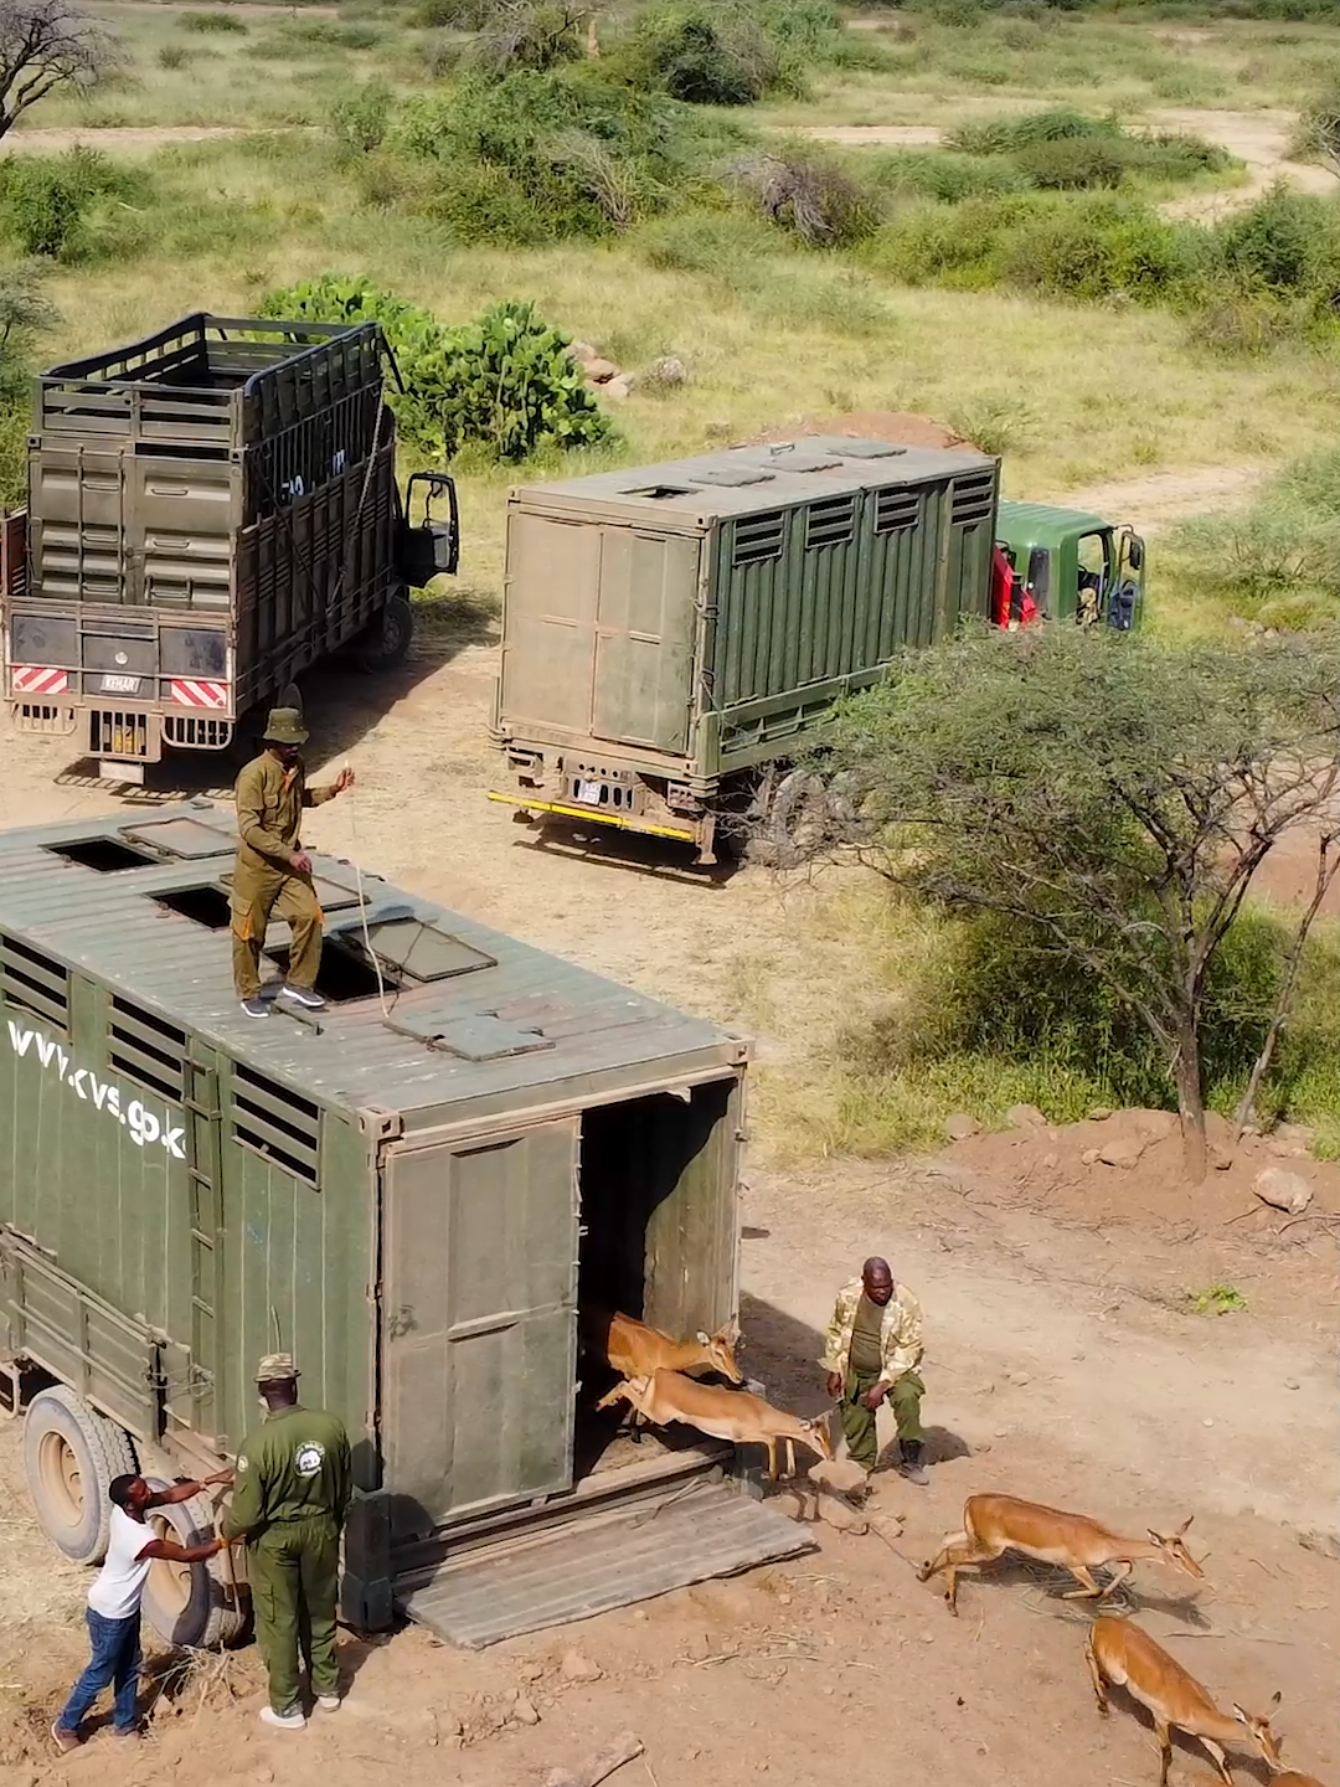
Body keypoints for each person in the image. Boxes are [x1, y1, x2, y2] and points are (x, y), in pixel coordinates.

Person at [52, 1469, 233, 1752]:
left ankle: (125, 1726)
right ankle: (65, 1726)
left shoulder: (126, 1510)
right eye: (143, 1493)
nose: (150, 1493)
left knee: (131, 1665)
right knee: (101, 1672)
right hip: (109, 1612)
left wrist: (206, 1481)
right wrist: (225, 1541)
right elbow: (187, 1555)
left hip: (125, 1609)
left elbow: (171, 1495)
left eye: (146, 1488)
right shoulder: (139, 1539)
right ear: (131, 1504)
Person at [221, 1354, 353, 1731]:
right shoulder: (330, 1426)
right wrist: (331, 1524)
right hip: (321, 1531)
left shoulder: (258, 1444)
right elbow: (345, 1489)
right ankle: (327, 1688)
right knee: (320, 1608)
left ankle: (287, 1707)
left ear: (262, 1395)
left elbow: (247, 1515)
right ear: (294, 1385)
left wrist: (225, 1534)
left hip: (275, 1541)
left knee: (279, 1620)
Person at [231, 707, 354, 1020]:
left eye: (297, 741)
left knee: (309, 916)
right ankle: (249, 992)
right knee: (249, 933)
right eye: (288, 742)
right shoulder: (253, 775)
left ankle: (298, 983)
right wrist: (290, 855)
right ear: (271, 742)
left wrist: (334, 790)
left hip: (289, 864)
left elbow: (302, 798)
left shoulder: (296, 766)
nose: (294, 747)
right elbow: (250, 830)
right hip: (257, 868)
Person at [821, 1256, 929, 1485]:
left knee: (907, 1397)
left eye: (887, 1286)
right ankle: (862, 1463)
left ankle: (911, 1459)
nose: (882, 1292)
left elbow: (909, 1348)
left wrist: (882, 1385)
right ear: (864, 1282)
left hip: (896, 1368)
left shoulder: (905, 1302)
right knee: (853, 1411)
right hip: (857, 1367)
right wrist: (835, 1368)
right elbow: (837, 1331)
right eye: (877, 1287)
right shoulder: (849, 1295)